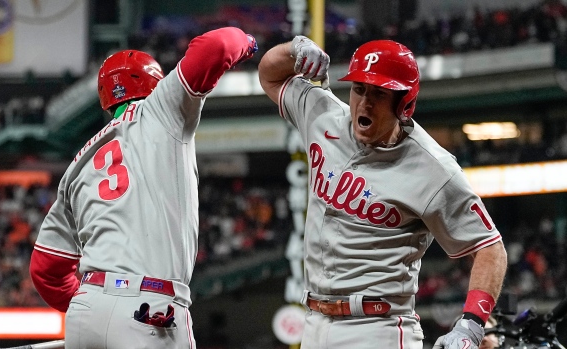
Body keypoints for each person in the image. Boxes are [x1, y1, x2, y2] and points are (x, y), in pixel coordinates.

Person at [258, 36, 507, 349]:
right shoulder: (324, 116)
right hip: (314, 323)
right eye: (359, 89)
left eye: (378, 93)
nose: (364, 103)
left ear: (404, 103)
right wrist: (294, 50)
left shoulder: (434, 168)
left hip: (377, 328)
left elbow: (489, 248)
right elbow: (269, 72)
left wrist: (471, 324)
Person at [29, 27, 257, 349]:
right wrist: (249, 43)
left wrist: (96, 307)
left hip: (86, 312)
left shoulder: (78, 164)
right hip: (149, 309)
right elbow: (219, 44)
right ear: (155, 84)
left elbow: (45, 269)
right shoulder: (161, 109)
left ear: (107, 103)